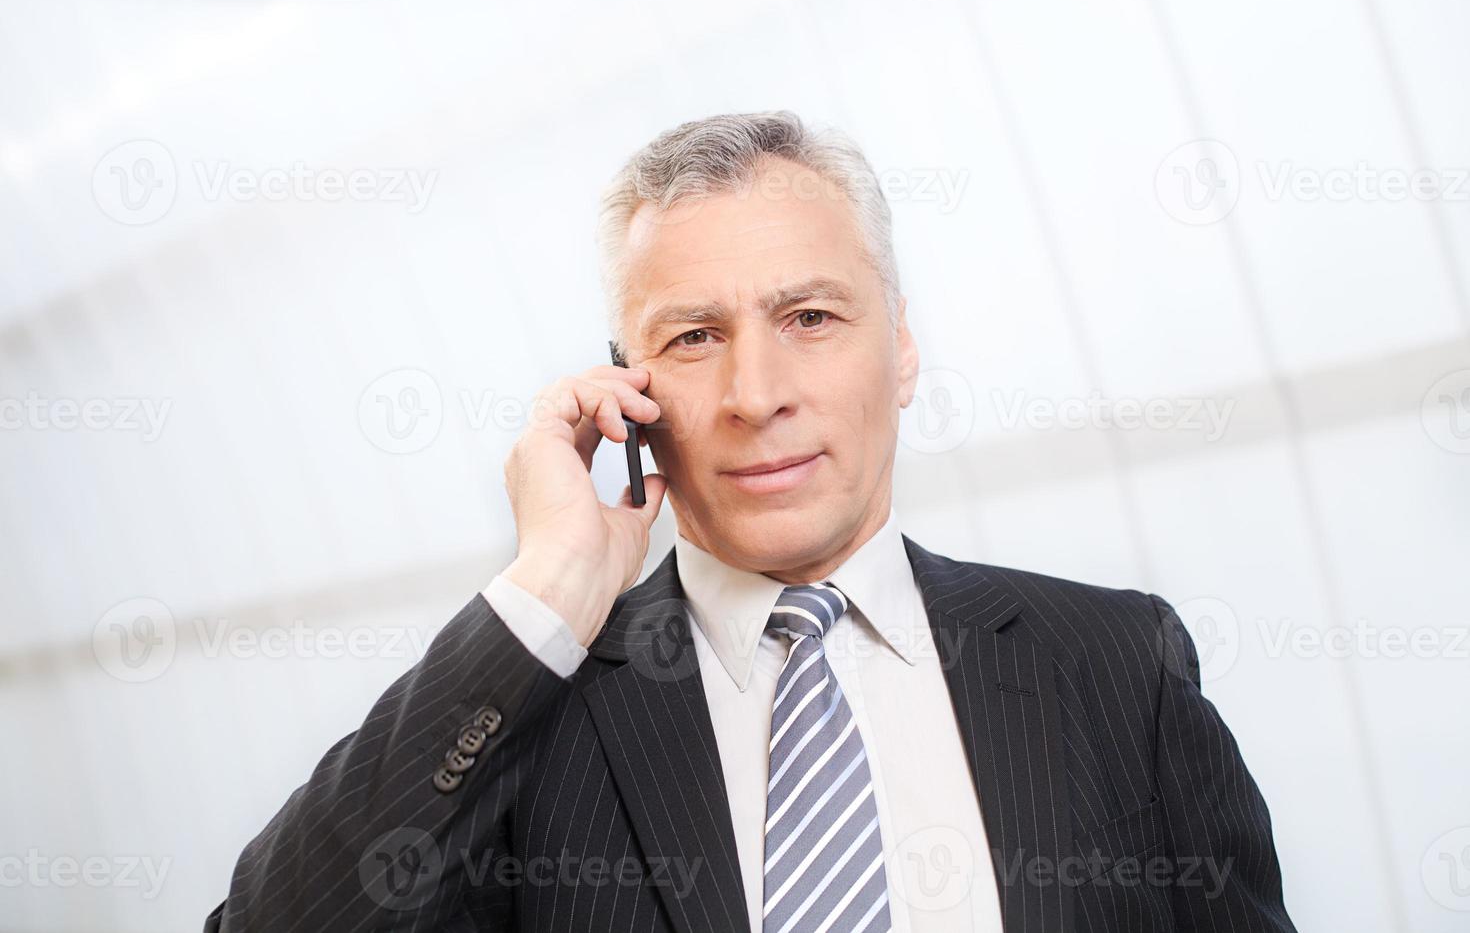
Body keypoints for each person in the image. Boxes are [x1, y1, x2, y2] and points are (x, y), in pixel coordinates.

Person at [204, 111, 1296, 932]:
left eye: (810, 317)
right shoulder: (534, 715)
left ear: (901, 345)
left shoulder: (1114, 666)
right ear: (626, 387)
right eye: (692, 338)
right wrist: (550, 589)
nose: (756, 392)